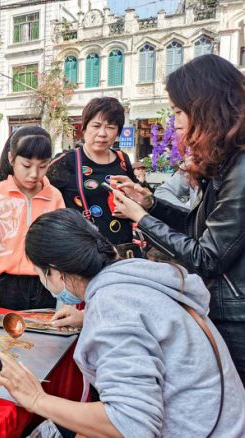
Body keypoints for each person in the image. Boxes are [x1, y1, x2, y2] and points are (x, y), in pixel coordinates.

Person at [0, 208, 245, 437]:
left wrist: (36, 399)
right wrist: (87, 319)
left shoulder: (111, 307)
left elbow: (131, 425)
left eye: (39, 273)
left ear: (55, 272)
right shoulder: (132, 274)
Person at [112, 54, 245, 383]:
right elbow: (201, 230)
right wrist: (151, 204)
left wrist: (141, 218)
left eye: (178, 112)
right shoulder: (228, 163)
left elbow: (207, 257)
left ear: (204, 109)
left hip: (238, 318)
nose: (177, 123)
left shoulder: (241, 170)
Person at [0, 127, 63, 309]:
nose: (34, 174)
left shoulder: (55, 197)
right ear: (11, 159)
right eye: (27, 166)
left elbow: (62, 250)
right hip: (4, 288)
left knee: (40, 338)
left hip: (44, 287)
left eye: (43, 166)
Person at [47, 97, 137, 246]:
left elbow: (136, 197)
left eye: (110, 127)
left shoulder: (123, 160)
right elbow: (40, 195)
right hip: (83, 252)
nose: (102, 133)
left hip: (122, 250)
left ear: (118, 131)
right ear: (84, 127)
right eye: (96, 126)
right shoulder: (66, 161)